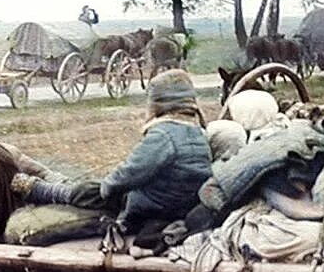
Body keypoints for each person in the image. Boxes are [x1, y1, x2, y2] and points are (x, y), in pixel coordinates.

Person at [24, 69, 212, 245]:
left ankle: (42, 190)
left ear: (158, 103)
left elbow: (130, 172)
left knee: (94, 191)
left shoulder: (163, 135)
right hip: (181, 204)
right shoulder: (198, 132)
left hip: (154, 207)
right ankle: (55, 185)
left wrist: (107, 186)